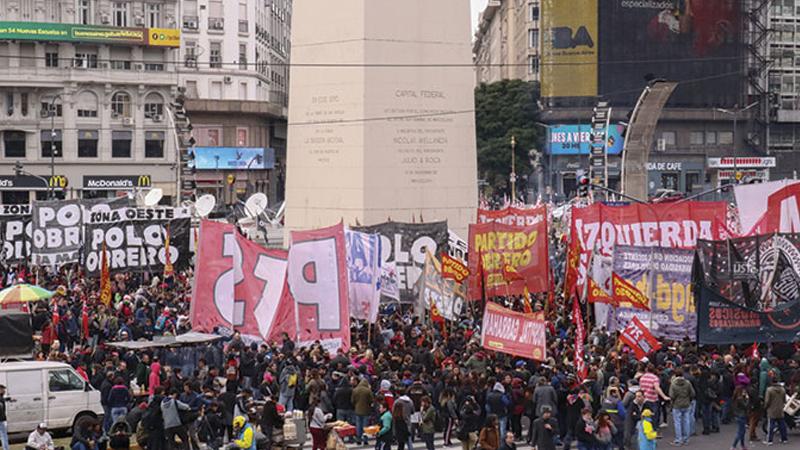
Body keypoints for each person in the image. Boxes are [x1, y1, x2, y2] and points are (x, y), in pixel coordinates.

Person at [668, 367, 695, 446]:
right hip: (686, 403)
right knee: (686, 421)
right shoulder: (688, 383)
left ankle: (678, 439)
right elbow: (692, 393)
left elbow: (671, 395)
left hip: (677, 404)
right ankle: (686, 439)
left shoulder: (673, 384)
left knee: (677, 422)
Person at [763, 378, 787, 445]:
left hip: (772, 409)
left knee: (771, 425)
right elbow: (784, 400)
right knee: (782, 425)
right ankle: (784, 439)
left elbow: (767, 401)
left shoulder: (769, 390)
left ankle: (769, 440)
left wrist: (765, 407)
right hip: (780, 409)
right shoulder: (783, 389)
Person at [352, 378, 373, 445]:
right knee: (365, 426)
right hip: (366, 410)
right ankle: (365, 440)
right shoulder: (368, 391)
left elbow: (352, 400)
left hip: (357, 410)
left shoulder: (355, 390)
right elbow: (371, 400)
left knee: (358, 425)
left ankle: (358, 439)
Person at [730, 385, 750, 450]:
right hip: (742, 415)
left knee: (742, 431)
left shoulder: (736, 398)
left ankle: (742, 445)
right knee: (741, 431)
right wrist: (747, 399)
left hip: (738, 415)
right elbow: (746, 406)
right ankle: (734, 445)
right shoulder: (740, 399)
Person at [0, 384, 9, 450]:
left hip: (2, 420)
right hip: (0, 420)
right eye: (3, 389)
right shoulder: (0, 399)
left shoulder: (1, 398)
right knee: (4, 436)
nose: (4, 391)